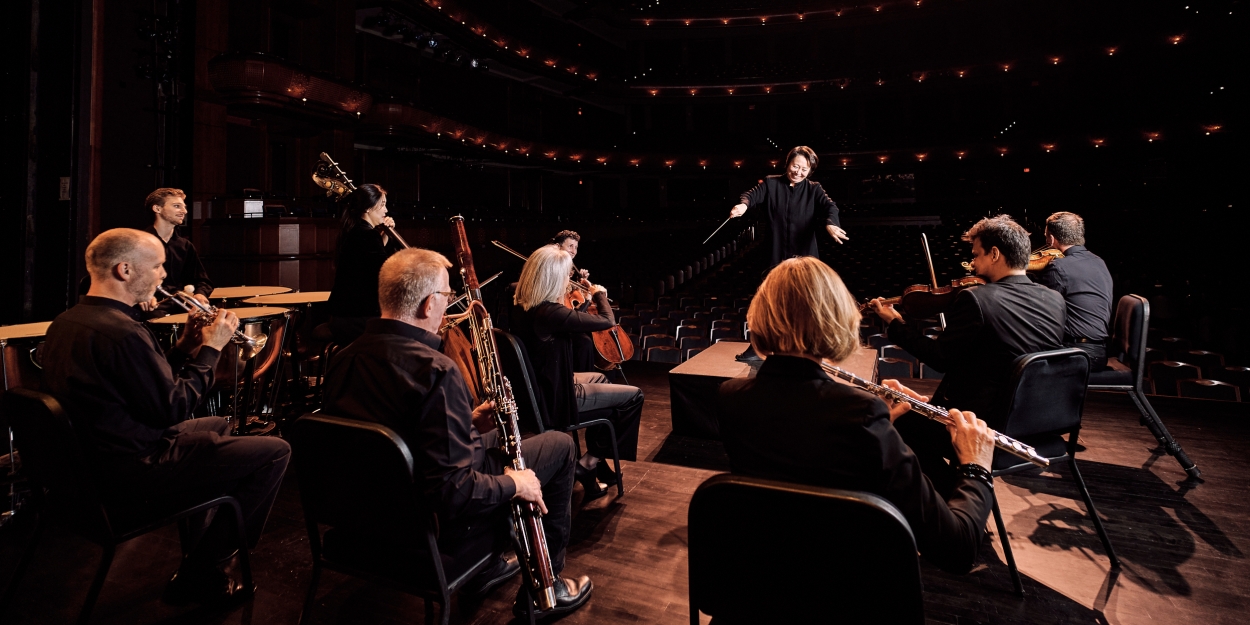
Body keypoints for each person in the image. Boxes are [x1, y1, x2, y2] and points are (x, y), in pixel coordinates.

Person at [322, 248, 593, 619]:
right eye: (448, 298)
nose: (450, 306)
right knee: (560, 447)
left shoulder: (342, 359)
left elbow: (394, 438)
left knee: (493, 438)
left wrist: (466, 422)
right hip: (432, 532)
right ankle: (547, 588)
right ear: (428, 304)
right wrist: (516, 484)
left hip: (363, 520)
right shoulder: (436, 370)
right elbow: (453, 492)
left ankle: (487, 570)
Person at [42, 228, 291, 605]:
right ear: (125, 270)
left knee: (218, 424)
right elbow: (174, 407)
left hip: (93, 460)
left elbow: (142, 391)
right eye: (157, 266)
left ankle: (207, 523)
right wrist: (212, 349)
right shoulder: (123, 332)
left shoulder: (69, 321)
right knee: (276, 452)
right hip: (132, 469)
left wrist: (184, 348)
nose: (164, 276)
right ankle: (209, 564)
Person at [717, 257, 996, 574]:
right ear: (835, 318)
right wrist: (975, 466)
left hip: (759, 578)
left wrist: (879, 426)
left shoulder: (730, 397)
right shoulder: (860, 413)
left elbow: (802, 468)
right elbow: (956, 548)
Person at [868, 215, 1064, 493]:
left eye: (976, 255)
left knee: (894, 420)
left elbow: (939, 358)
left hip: (984, 425)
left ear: (995, 254)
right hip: (1039, 424)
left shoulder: (977, 299)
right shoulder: (1054, 299)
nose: (972, 264)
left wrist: (896, 324)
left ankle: (956, 499)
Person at [511, 245, 644, 499]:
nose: (566, 283)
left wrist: (582, 306)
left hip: (542, 387)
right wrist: (599, 294)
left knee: (602, 377)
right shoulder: (551, 312)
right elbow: (608, 322)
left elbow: (570, 319)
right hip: (557, 396)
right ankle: (588, 463)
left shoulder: (523, 305)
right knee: (633, 396)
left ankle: (598, 465)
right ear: (552, 278)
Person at [728, 146, 849, 267]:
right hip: (775, 253)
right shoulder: (770, 183)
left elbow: (830, 206)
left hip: (805, 254)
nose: (798, 172)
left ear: (810, 171)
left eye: (804, 169)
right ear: (787, 163)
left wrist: (831, 223)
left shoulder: (814, 188)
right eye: (795, 166)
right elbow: (751, 195)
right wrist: (743, 205)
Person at [1032, 212, 1114, 370]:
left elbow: (1043, 314)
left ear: (1051, 239)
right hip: (1098, 352)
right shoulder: (1099, 262)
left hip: (1076, 354)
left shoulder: (1058, 267)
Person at [326, 183, 404, 344]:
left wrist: (384, 234)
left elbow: (372, 259)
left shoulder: (355, 231)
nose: (386, 210)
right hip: (355, 318)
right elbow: (384, 271)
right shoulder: (366, 234)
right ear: (368, 208)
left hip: (343, 315)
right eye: (382, 205)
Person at [128, 188, 213, 315]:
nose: (184, 211)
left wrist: (200, 295)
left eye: (184, 207)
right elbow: (122, 279)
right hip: (149, 309)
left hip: (180, 306)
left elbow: (201, 280)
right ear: (157, 209)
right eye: (177, 206)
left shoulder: (185, 246)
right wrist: (140, 295)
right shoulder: (138, 243)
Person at [552, 230, 596, 373]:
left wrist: (581, 283)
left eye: (576, 247)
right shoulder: (553, 267)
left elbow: (572, 298)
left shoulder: (569, 269)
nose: (573, 251)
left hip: (566, 315)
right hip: (555, 318)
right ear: (558, 246)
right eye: (570, 246)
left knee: (588, 338)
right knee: (584, 343)